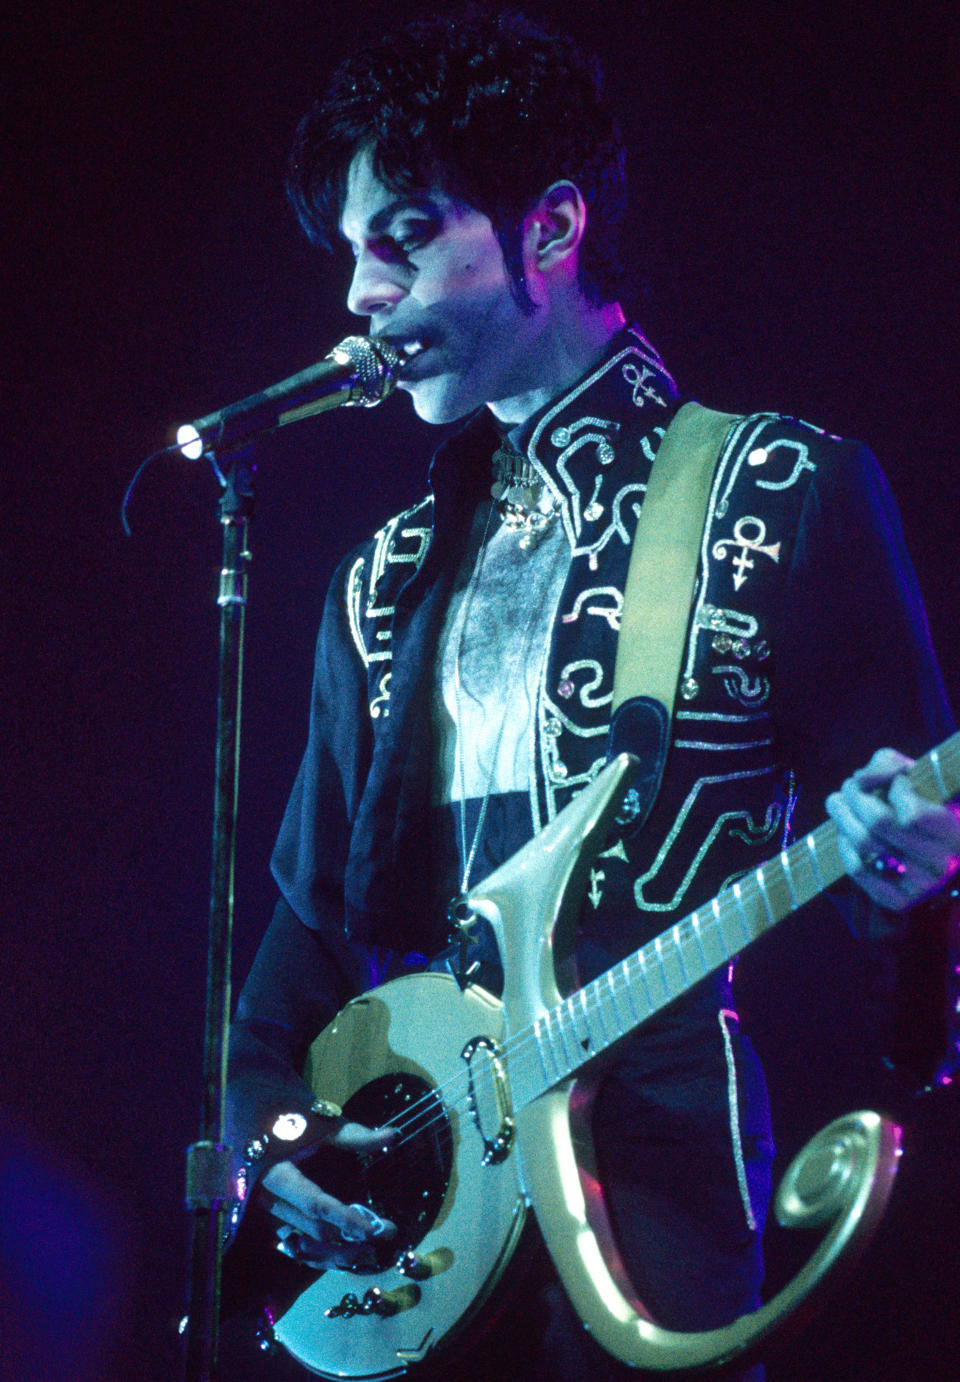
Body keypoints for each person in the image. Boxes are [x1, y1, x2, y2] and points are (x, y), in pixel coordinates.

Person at [223, 10, 960, 1379]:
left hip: (654, 1193)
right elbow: (310, 925)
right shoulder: (379, 580)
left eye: (405, 238)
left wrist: (916, 890)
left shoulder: (781, 490)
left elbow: (912, 893)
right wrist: (269, 1135)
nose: (358, 299)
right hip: (428, 1224)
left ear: (550, 231)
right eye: (349, 254)